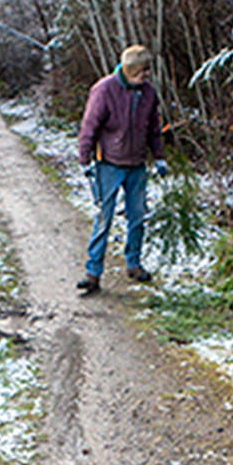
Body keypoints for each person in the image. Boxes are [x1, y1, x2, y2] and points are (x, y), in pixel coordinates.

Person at [75, 44, 167, 294]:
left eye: (148, 70)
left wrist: (159, 157)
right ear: (129, 70)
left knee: (137, 217)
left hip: (137, 165)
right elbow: (89, 127)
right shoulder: (104, 90)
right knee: (104, 220)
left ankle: (133, 264)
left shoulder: (148, 93)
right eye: (142, 71)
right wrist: (85, 159)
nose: (146, 75)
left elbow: (153, 129)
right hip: (109, 165)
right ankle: (93, 273)